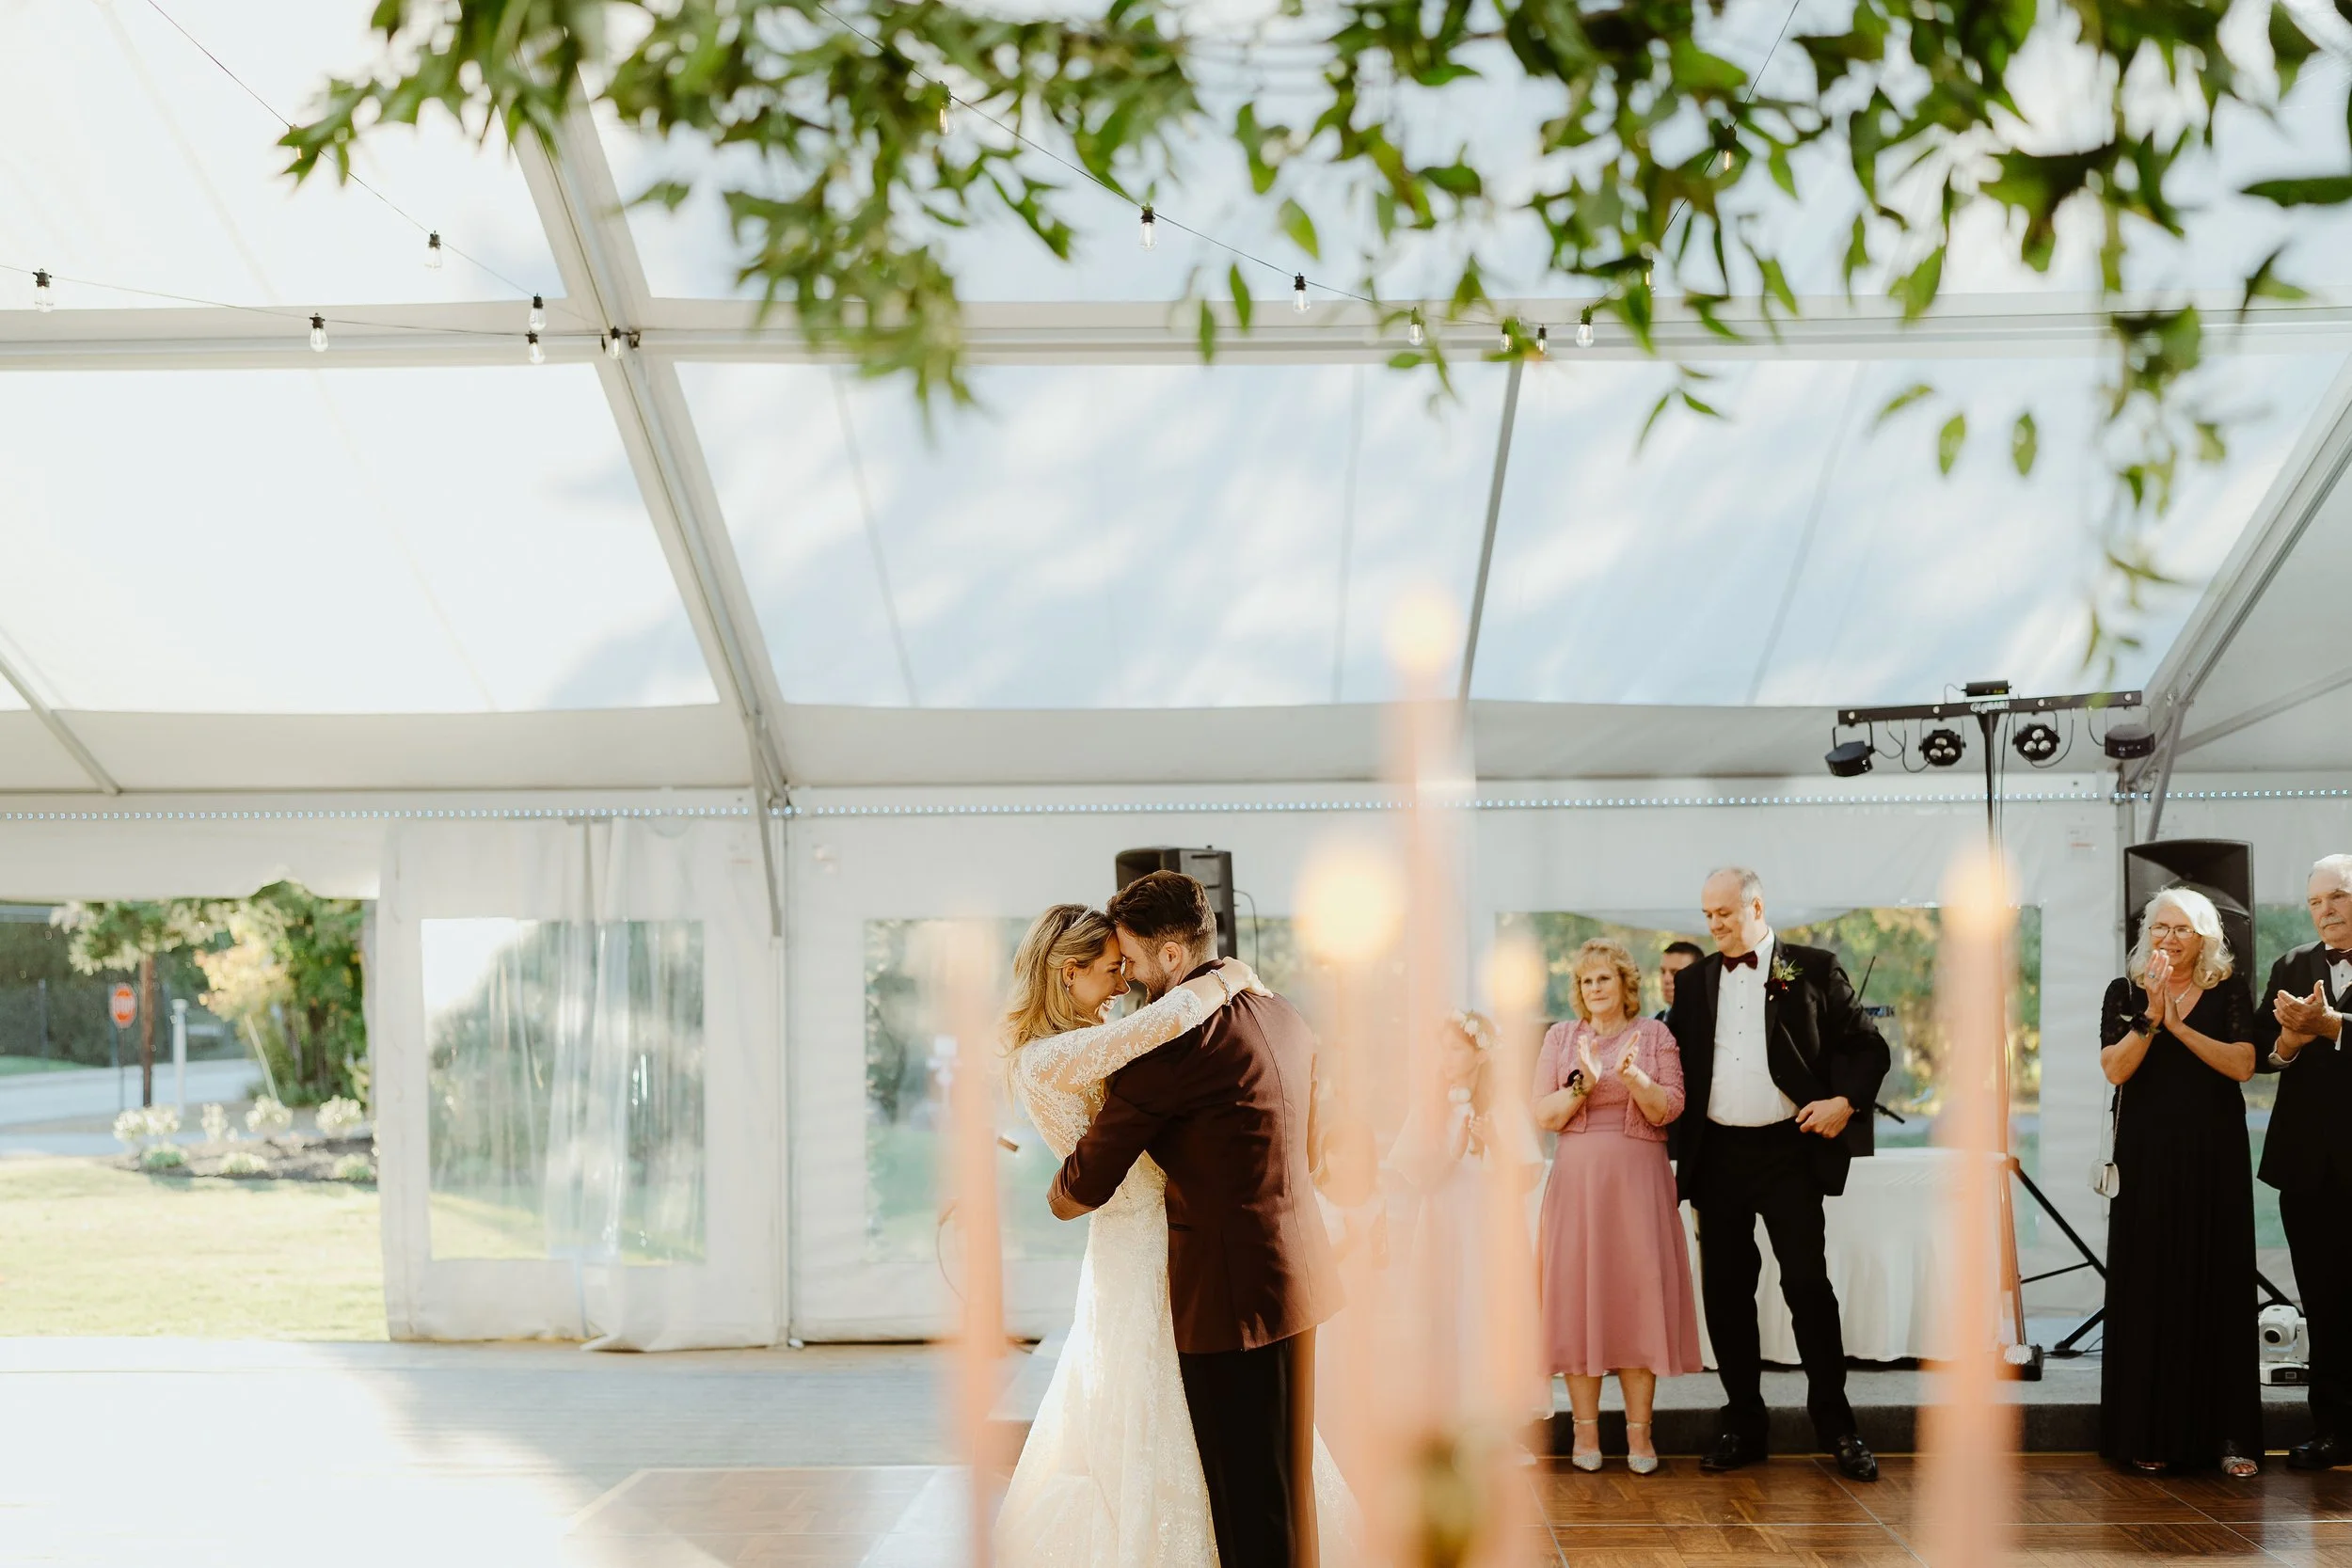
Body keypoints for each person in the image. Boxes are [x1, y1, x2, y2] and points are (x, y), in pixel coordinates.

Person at [1048, 872, 1359, 1568]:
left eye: (1131, 958)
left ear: (1170, 955)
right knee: (1288, 1486)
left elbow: (1084, 1185)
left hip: (1227, 1300)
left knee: (1246, 1503)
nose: (1127, 976)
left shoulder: (1172, 1046)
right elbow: (1307, 1149)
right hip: (1298, 1275)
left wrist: (1055, 1191)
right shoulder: (1282, 1012)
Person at [995, 902, 1295, 1566]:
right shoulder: (1047, 1057)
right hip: (1135, 1248)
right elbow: (1166, 1021)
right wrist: (1229, 975)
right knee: (1151, 1413)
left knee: (1192, 1417)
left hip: (1167, 1235)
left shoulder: (1090, 1035)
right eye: (1111, 969)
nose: (1124, 981)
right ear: (1069, 973)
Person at [1664, 867, 1889, 1481]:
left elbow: (1868, 1046)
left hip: (1789, 1150)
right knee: (1726, 1293)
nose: (1714, 925)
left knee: (1808, 1287)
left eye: (1725, 914)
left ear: (1757, 906)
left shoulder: (1810, 968)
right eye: (1707, 915)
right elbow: (1676, 1061)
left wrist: (1845, 1102)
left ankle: (1838, 1426)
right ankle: (1743, 1424)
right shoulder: (1693, 981)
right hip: (1718, 1156)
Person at [2100, 886, 2263, 1477]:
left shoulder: (2229, 990)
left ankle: (2230, 1438)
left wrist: (2181, 1027)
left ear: (2205, 939)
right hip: (2146, 1160)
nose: (2169, 939)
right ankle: (2149, 1432)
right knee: (2149, 1285)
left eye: (2182, 929)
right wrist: (2151, 1018)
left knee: (2220, 1283)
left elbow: (2244, 1064)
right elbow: (2115, 1070)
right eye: (2160, 928)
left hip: (2214, 1157)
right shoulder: (2124, 993)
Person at [1530, 938, 1701, 1474]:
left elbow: (1670, 1108)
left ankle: (1640, 1435)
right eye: (1586, 980)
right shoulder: (1561, 1037)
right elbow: (1544, 1114)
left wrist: (1633, 1077)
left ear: (1625, 984)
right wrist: (1584, 1084)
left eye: (1604, 978)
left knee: (1636, 1298)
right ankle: (1585, 1433)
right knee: (1579, 1300)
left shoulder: (1656, 1035)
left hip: (1638, 1187)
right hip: (1578, 1188)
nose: (1594, 988)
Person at [1391, 1010, 1545, 1424]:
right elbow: (1416, 1177)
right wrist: (1453, 1150)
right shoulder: (1429, 1108)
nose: (1446, 1058)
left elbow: (1526, 1177)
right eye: (1442, 1049)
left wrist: (1495, 1142)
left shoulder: (1503, 1106)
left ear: (1480, 1054)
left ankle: (1493, 1417)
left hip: (1489, 1226)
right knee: (1447, 1309)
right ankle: (1447, 1416)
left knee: (1486, 1310)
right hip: (1444, 1222)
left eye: (1456, 1049)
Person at [2255, 855, 2352, 1470]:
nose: (2325, 910)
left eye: (2337, 896)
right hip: (2308, 1167)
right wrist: (2290, 1039)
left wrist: (2334, 1024)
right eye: (2315, 901)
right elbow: (2263, 1052)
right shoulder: (2292, 964)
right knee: (2324, 1300)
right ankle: (2334, 1429)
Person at [1656, 940, 1704, 1022]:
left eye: (1675, 973)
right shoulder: (1654, 1021)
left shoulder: (1715, 1023)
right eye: (1663, 971)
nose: (1666, 979)